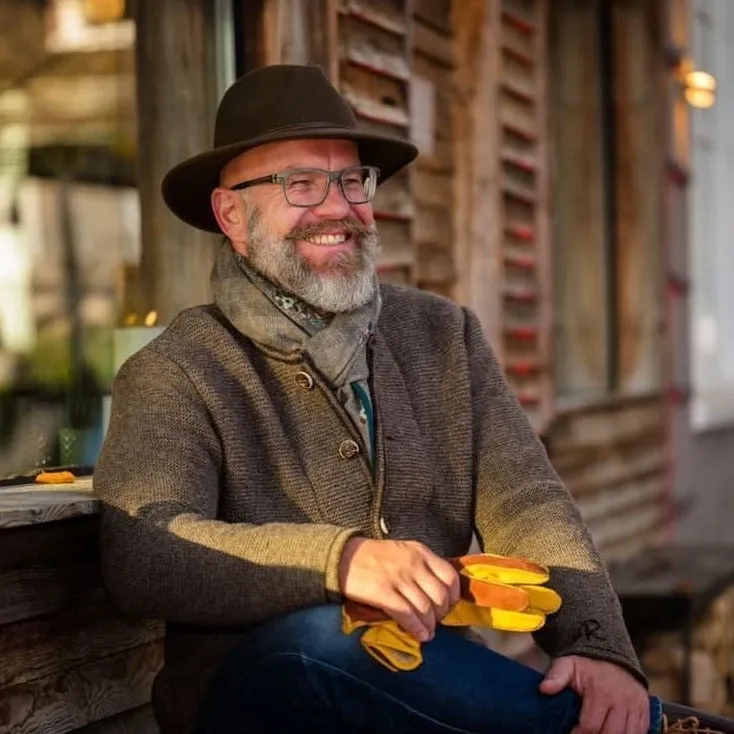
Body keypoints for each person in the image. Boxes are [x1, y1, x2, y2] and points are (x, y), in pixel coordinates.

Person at [94, 64, 733, 734]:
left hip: (420, 691)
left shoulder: (443, 337)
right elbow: (145, 551)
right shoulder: (176, 369)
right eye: (302, 185)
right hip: (261, 700)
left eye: (351, 180)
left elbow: (527, 502)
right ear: (232, 215)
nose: (338, 208)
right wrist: (340, 563)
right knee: (319, 642)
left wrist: (597, 646)